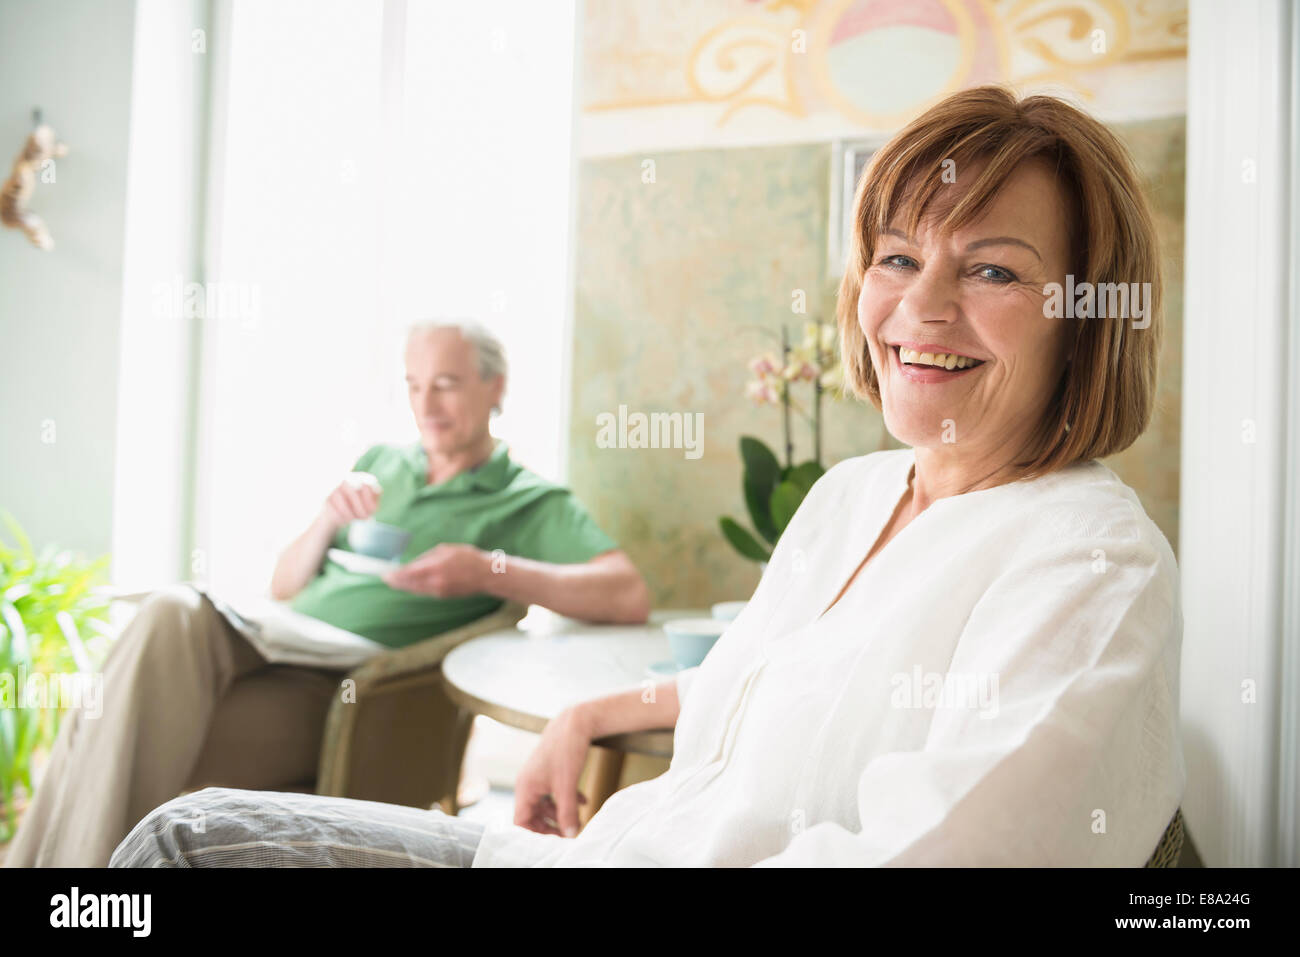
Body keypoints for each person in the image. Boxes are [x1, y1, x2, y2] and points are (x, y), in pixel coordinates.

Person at [110, 85, 1184, 868]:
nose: (921, 307)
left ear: (1087, 319)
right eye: (897, 257)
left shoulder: (1087, 561)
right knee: (183, 838)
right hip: (611, 849)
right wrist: (588, 713)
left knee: (185, 850)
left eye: (992, 269)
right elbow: (767, 678)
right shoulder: (854, 496)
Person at [7, 319, 650, 868]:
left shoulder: (526, 499)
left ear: (496, 389)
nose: (426, 405)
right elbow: (284, 586)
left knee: (121, 701)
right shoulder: (383, 461)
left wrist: (491, 571)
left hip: (346, 697)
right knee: (149, 649)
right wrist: (325, 520)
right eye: (414, 385)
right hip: (273, 651)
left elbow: (627, 594)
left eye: (446, 384)